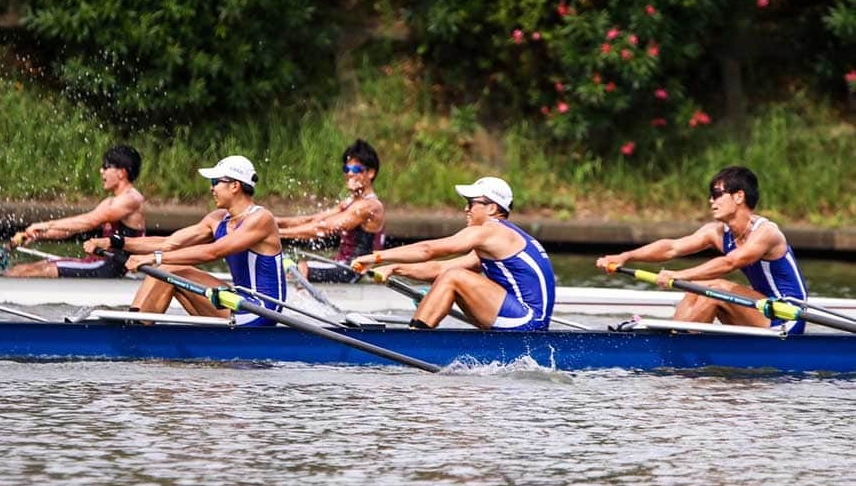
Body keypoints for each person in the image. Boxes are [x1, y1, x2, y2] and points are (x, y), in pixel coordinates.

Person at [595, 165, 809, 334]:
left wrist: (678, 275)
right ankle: (674, 335)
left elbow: (730, 263)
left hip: (787, 317)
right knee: (697, 287)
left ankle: (677, 343)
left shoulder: (767, 233)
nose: (711, 201)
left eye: (716, 194)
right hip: (760, 310)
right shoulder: (717, 233)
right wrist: (625, 256)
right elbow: (671, 248)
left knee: (717, 289)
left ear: (738, 197)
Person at [85, 155, 286, 326]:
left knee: (167, 268)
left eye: (216, 182)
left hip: (261, 311)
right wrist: (115, 242)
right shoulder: (217, 219)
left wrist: (154, 258)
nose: (211, 188)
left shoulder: (261, 219)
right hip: (236, 301)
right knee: (165, 270)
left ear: (235, 186)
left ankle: (134, 333)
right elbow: (169, 243)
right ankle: (135, 323)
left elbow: (212, 252)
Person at [351, 177, 555, 331]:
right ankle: (418, 334)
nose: (466, 209)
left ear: (492, 208)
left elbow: (428, 250)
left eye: (471, 203)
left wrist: (376, 256)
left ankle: (414, 339)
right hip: (529, 322)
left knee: (454, 278)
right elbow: (440, 268)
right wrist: (395, 268)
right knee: (451, 275)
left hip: (527, 322)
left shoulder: (491, 231)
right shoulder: (498, 242)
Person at [5, 145, 146, 278]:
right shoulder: (110, 202)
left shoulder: (131, 199)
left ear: (121, 173)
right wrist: (36, 235)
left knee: (33, 272)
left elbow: (89, 222)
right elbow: (71, 230)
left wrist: (46, 225)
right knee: (22, 269)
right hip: (100, 263)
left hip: (112, 267)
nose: (101, 171)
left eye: (106, 167)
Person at [277, 139, 386, 282]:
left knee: (301, 267)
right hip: (341, 266)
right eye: (347, 169)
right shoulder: (350, 202)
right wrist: (273, 221)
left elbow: (323, 228)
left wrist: (277, 233)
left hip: (354, 272)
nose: (350, 174)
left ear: (370, 173)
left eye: (356, 170)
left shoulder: (370, 206)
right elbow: (313, 220)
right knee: (293, 267)